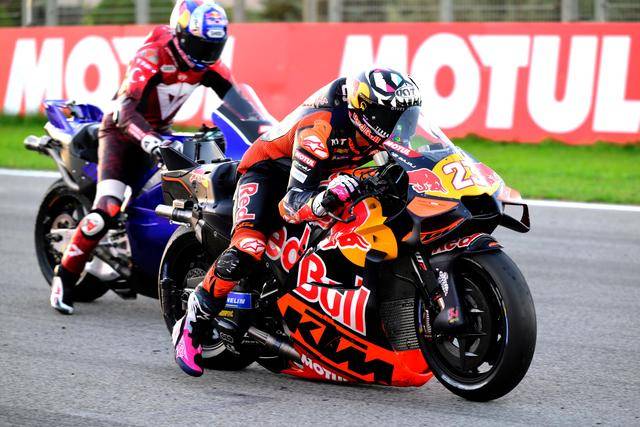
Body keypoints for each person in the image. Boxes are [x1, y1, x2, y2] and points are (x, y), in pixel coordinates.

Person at [172, 67, 422, 376]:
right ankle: (193, 323)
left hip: (325, 174)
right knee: (249, 247)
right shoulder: (320, 129)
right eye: (393, 117)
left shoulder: (377, 130)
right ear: (367, 112)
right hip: (270, 175)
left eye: (407, 116)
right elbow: (290, 204)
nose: (401, 126)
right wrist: (325, 199)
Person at [50, 0, 254, 314]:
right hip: (120, 134)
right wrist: (150, 141)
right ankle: (64, 277)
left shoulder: (209, 65)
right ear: (182, 35)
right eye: (200, 44)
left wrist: (267, 133)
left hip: (161, 134)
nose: (206, 52)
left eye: (213, 46)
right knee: (107, 208)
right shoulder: (153, 54)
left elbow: (242, 106)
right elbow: (125, 109)